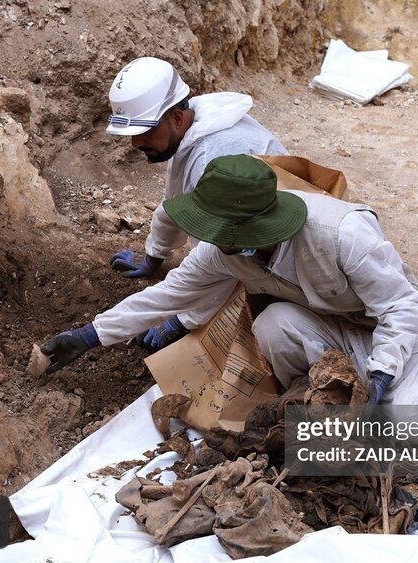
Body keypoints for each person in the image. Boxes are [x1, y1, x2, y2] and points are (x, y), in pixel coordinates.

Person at [42, 156, 418, 435]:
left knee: (414, 425)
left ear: (257, 227)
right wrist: (89, 336)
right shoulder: (224, 251)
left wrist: (385, 371)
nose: (213, 240)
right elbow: (169, 295)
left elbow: (401, 306)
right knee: (272, 324)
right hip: (328, 327)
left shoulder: (341, 232)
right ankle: (311, 393)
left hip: (396, 327)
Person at [104, 57, 288, 349]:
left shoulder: (214, 158)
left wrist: (182, 320)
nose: (135, 144)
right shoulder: (191, 129)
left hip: (278, 256)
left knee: (261, 327)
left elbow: (225, 255)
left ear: (176, 118)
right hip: (239, 239)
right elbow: (175, 203)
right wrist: (154, 255)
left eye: (143, 132)